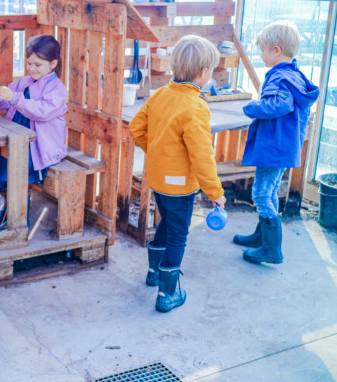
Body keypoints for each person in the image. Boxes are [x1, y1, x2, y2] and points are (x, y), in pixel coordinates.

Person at [129, 35, 226, 313]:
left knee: (167, 223)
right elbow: (202, 157)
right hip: (181, 185)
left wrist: (158, 152)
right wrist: (215, 193)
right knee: (178, 235)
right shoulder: (195, 107)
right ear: (202, 73)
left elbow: (136, 128)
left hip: (158, 179)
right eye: (212, 72)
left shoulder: (160, 94)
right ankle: (167, 294)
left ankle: (153, 273)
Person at [233, 21, 319, 265]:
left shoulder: (280, 78)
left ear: (277, 50)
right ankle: (262, 237)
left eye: (263, 50)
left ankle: (271, 248)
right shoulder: (293, 74)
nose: (260, 55)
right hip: (283, 147)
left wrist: (251, 107)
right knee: (268, 191)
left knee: (260, 193)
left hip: (275, 147)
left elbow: (279, 105)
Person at [0, 34, 67, 231]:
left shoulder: (56, 88)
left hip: (39, 145)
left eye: (38, 64)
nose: (32, 68)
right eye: (29, 63)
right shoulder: (25, 82)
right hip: (16, 140)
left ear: (53, 63)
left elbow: (42, 112)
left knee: (16, 174)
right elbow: (7, 103)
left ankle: (19, 218)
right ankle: (8, 209)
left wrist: (15, 98)